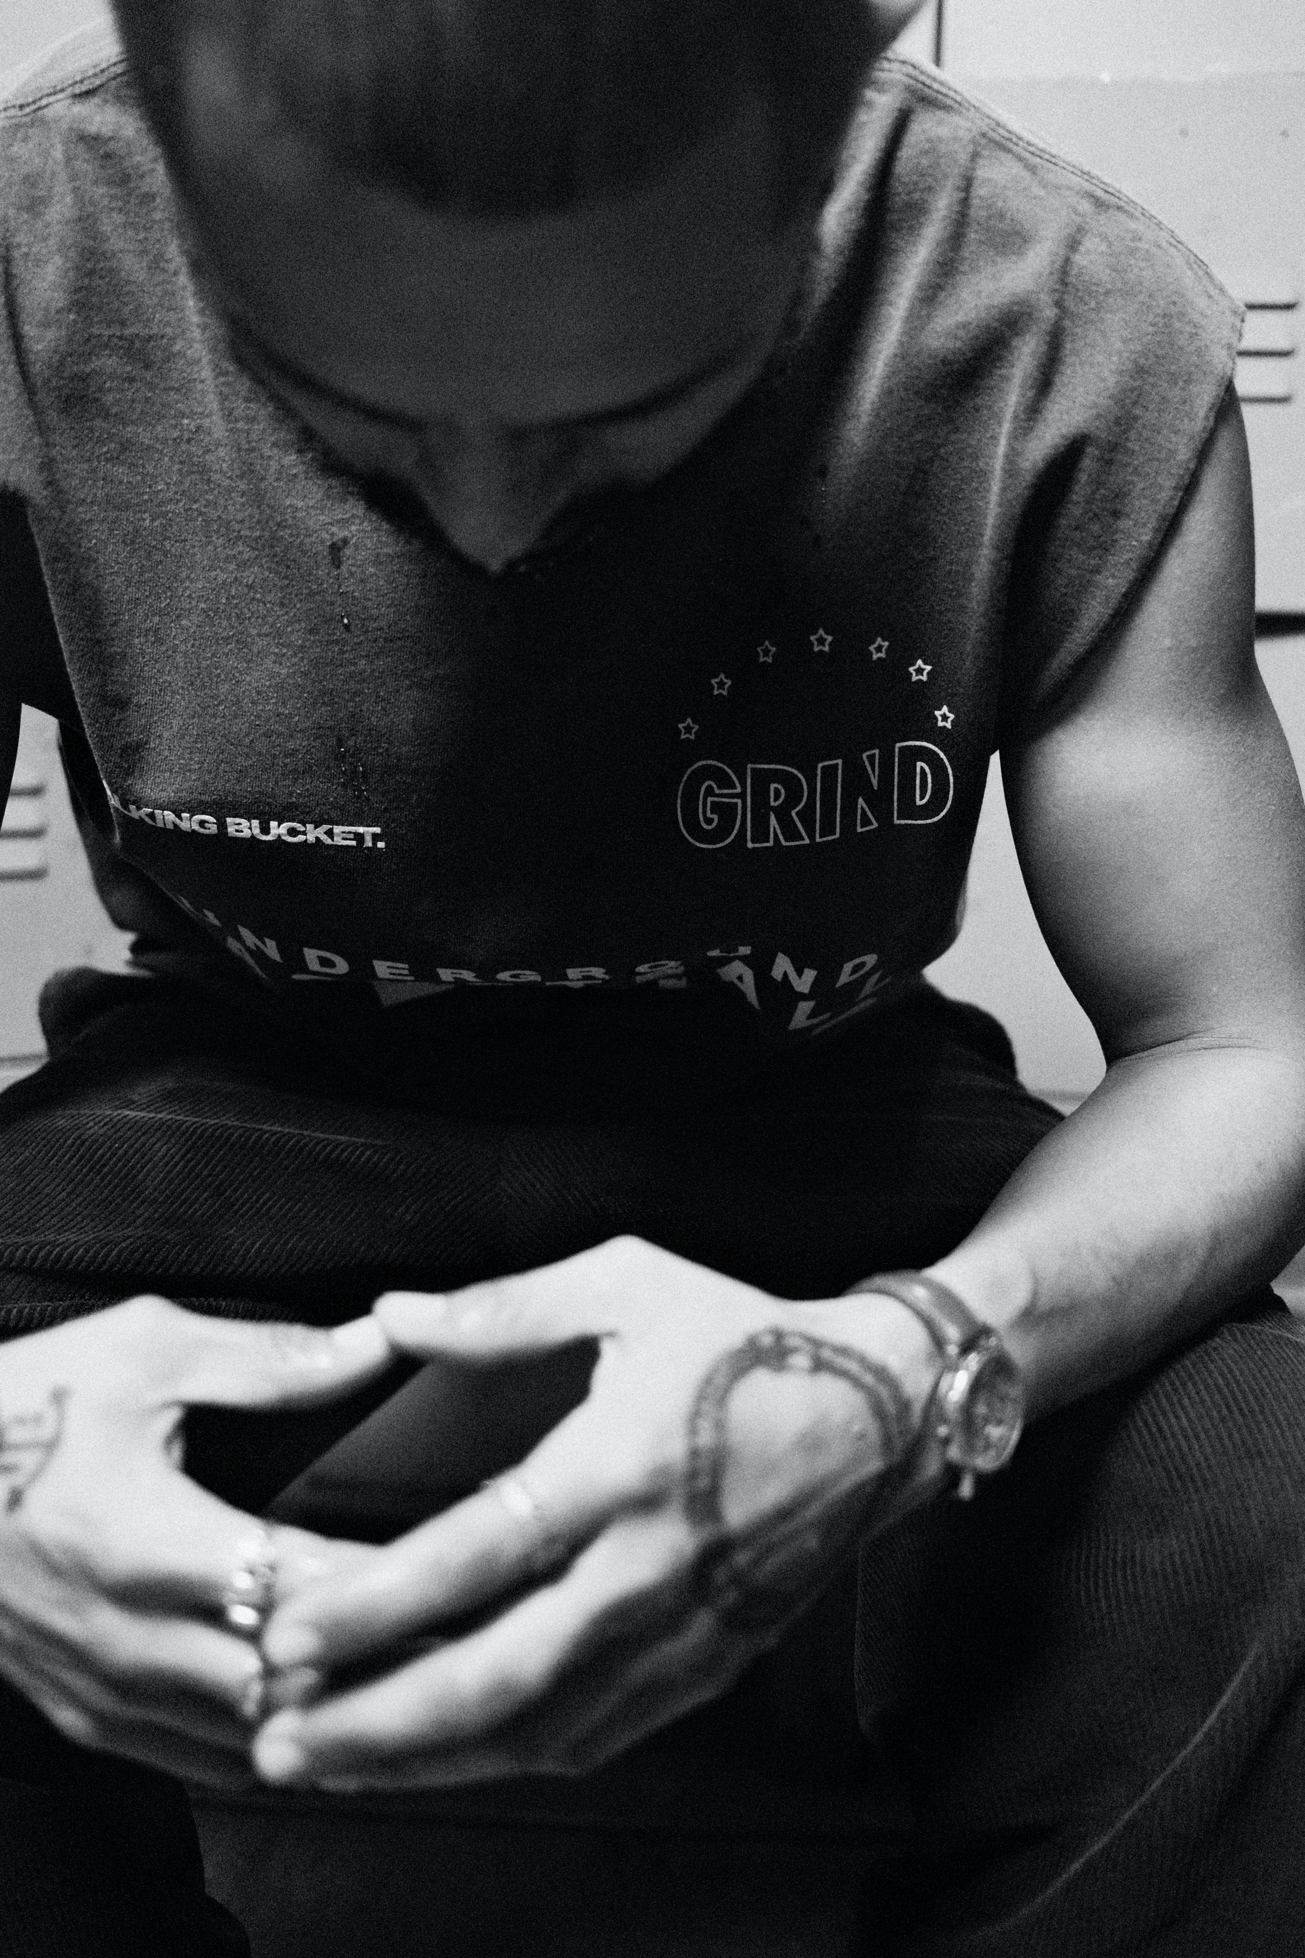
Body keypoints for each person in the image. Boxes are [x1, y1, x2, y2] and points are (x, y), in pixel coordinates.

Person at [2, 0, 1305, 1950]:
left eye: (625, 419)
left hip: (812, 1106)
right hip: (232, 1090)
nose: (489, 525)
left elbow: (1245, 1039)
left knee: (1265, 1505)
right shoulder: (22, 260)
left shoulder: (1060, 314)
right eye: (341, 411)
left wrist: (904, 1372)